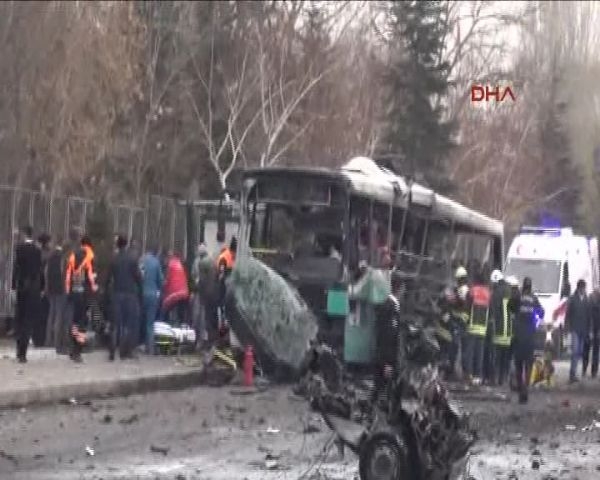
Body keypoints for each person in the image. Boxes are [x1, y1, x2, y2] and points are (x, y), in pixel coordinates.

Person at [105, 235, 142, 360]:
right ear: (126, 245)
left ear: (117, 244)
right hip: (130, 293)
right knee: (128, 324)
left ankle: (111, 351)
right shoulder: (132, 259)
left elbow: (108, 278)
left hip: (116, 293)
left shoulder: (113, 259)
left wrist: (106, 293)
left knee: (115, 323)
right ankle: (125, 351)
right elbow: (138, 277)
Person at [11, 226, 43, 363]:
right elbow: (40, 271)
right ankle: (23, 353)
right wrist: (42, 287)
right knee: (28, 321)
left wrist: (13, 287)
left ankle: (19, 350)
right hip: (33, 288)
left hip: (21, 287)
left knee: (20, 317)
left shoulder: (19, 249)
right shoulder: (37, 251)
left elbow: (16, 269)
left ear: (24, 234)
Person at [510, 277, 543, 404]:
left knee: (518, 366)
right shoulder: (534, 299)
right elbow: (541, 312)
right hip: (529, 337)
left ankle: (520, 391)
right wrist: (534, 320)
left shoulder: (518, 297)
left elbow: (510, 308)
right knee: (528, 366)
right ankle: (525, 389)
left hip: (518, 336)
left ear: (523, 286)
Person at [65, 234, 98, 363]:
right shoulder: (90, 256)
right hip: (85, 293)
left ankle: (72, 347)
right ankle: (78, 350)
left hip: (74, 292)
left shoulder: (73, 255)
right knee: (83, 323)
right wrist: (94, 289)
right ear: (89, 244)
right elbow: (91, 276)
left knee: (74, 321)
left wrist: (68, 291)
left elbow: (68, 274)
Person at [371, 271, 402, 405]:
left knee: (379, 390)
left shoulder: (387, 304)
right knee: (382, 392)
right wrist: (387, 362)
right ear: (400, 288)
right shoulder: (391, 308)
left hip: (381, 356)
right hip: (386, 358)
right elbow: (389, 336)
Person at [464, 271, 491, 385]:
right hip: (482, 327)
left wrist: (465, 322)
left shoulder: (472, 291)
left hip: (472, 326)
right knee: (479, 353)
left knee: (470, 352)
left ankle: (469, 374)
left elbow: (467, 308)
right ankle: (477, 376)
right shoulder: (487, 293)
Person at [565, 279, 591, 383]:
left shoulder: (586, 299)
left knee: (579, 352)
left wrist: (589, 329)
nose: (584, 290)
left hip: (583, 329)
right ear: (579, 288)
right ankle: (572, 374)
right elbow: (568, 314)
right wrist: (568, 328)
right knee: (575, 351)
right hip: (575, 328)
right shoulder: (572, 299)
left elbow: (588, 315)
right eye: (583, 288)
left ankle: (574, 373)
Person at [493, 274, 516, 386]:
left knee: (498, 357)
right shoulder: (511, 293)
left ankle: (498, 379)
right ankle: (505, 379)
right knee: (506, 358)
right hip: (509, 331)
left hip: (499, 331)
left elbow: (494, 312)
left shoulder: (496, 293)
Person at [140, 244, 163, 355]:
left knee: (141, 321)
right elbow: (161, 280)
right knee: (150, 322)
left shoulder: (142, 260)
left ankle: (140, 344)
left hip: (141, 295)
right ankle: (150, 348)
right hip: (152, 295)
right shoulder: (156, 262)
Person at [191, 243, 216, 348]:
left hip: (202, 294)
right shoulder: (211, 260)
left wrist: (195, 287)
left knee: (199, 317)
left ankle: (199, 341)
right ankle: (206, 341)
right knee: (205, 318)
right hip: (210, 293)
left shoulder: (201, 262)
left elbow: (200, 280)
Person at [45, 238, 67, 352]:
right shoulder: (62, 257)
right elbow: (63, 273)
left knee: (51, 314)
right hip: (60, 289)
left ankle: (48, 339)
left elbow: (46, 272)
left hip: (51, 289)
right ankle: (56, 341)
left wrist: (46, 287)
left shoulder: (50, 257)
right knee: (59, 315)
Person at [449, 266, 471, 382]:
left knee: (456, 348)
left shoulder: (463, 290)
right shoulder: (462, 290)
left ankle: (458, 372)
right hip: (461, 323)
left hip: (460, 324)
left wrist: (453, 300)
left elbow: (462, 305)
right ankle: (464, 373)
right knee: (462, 349)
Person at [162, 251, 190, 326]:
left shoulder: (170, 264)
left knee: (165, 308)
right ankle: (182, 326)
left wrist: (163, 288)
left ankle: (165, 325)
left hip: (175, 293)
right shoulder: (180, 263)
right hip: (184, 292)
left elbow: (167, 280)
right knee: (181, 313)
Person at [216, 236, 237, 326]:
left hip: (228, 289)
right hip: (222, 288)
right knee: (222, 308)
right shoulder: (224, 258)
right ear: (233, 251)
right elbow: (221, 275)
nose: (235, 256)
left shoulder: (230, 257)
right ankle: (222, 326)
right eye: (235, 253)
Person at [583, 289, 600, 378]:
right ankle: (586, 369)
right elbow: (586, 316)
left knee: (595, 351)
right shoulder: (589, 300)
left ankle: (593, 371)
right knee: (587, 350)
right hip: (589, 328)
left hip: (596, 329)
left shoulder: (589, 299)